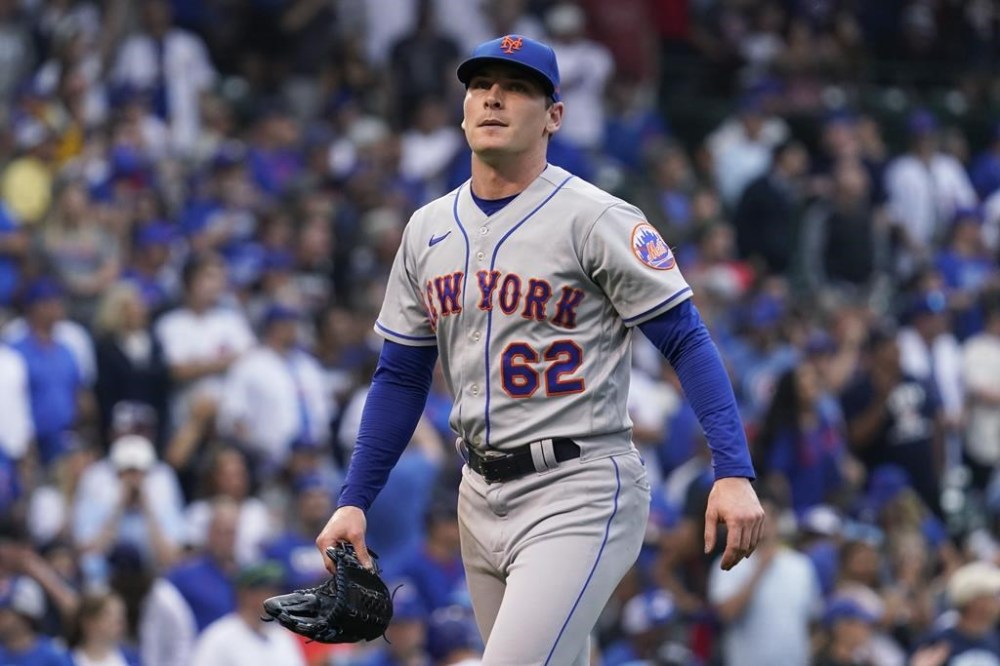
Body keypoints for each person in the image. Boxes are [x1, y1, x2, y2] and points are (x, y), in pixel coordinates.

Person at [315, 35, 764, 665]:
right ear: (463, 109)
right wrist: (354, 500)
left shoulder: (596, 218)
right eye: (481, 85)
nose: (493, 98)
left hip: (579, 486)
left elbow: (686, 338)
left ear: (554, 115)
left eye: (517, 87)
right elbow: (400, 376)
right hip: (477, 493)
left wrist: (733, 470)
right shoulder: (426, 229)